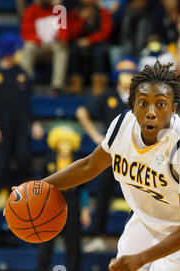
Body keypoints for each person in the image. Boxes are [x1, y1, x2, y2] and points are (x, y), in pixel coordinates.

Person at [36, 61, 180, 271]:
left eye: (160, 104)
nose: (151, 111)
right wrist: (39, 186)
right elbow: (90, 165)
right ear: (132, 105)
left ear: (174, 108)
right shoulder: (122, 125)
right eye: (143, 103)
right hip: (149, 217)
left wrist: (141, 258)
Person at [23, 124, 91, 271]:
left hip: (73, 203)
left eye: (68, 142)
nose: (65, 145)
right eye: (61, 142)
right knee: (45, 244)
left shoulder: (78, 160)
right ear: (56, 143)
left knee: (74, 244)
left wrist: (85, 209)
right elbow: (40, 186)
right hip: (51, 203)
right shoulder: (48, 160)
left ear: (73, 143)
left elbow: (84, 188)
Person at [76, 57, 137, 252]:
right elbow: (81, 112)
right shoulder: (108, 96)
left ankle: (139, 241)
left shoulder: (141, 98)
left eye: (130, 73)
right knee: (103, 192)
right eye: (123, 73)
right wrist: (95, 135)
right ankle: (97, 235)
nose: (127, 77)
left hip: (137, 155)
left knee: (140, 195)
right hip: (111, 154)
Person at [0, 33, 44, 210]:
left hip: (20, 126)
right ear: (8, 51)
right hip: (0, 126)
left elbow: (27, 102)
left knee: (23, 158)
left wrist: (34, 122)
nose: (20, 52)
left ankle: (24, 198)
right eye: (17, 49)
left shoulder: (22, 74)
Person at [19, 0, 69, 96]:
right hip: (38, 47)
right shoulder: (30, 11)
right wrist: (42, 43)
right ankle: (26, 82)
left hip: (53, 46)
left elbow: (64, 33)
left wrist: (59, 40)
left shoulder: (59, 10)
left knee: (62, 49)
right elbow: (27, 33)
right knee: (28, 47)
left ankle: (57, 85)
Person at [67, 0, 113, 95]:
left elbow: (105, 32)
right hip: (79, 42)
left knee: (98, 52)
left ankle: (98, 83)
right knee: (72, 51)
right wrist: (81, 20)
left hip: (98, 43)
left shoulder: (103, 12)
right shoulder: (75, 13)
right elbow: (71, 33)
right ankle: (75, 82)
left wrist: (89, 40)